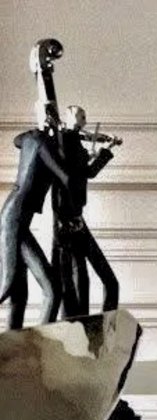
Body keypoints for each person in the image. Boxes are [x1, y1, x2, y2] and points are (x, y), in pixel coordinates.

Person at [0, 106, 68, 330]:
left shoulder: (31, 138)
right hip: (14, 220)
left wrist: (41, 129)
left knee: (19, 293)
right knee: (12, 285)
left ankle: (16, 341)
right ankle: (39, 343)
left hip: (13, 216)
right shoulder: (43, 144)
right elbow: (66, 178)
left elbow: (17, 141)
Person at [51, 105, 120, 318]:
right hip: (66, 220)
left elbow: (87, 172)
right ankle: (82, 328)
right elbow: (72, 174)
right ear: (71, 116)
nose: (85, 120)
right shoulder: (62, 141)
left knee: (107, 281)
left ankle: (105, 330)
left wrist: (104, 150)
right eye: (81, 116)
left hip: (76, 218)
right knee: (80, 281)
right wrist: (95, 152)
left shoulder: (74, 142)